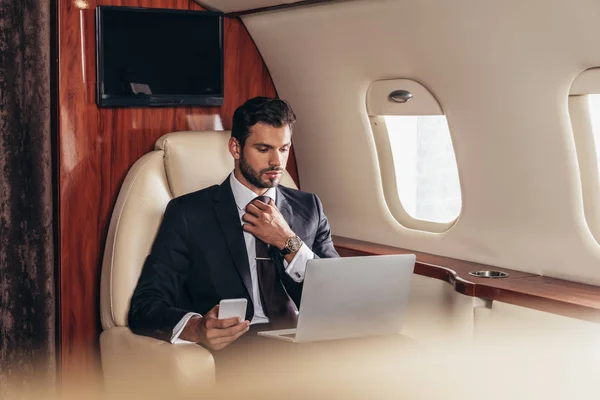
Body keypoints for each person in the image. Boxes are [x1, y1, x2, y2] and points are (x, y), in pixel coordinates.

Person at [128, 96, 339, 352]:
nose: (277, 162)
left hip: (308, 341)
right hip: (242, 349)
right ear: (236, 149)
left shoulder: (309, 207)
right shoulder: (189, 214)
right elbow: (146, 305)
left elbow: (337, 294)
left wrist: (287, 241)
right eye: (263, 149)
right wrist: (197, 328)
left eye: (283, 149)